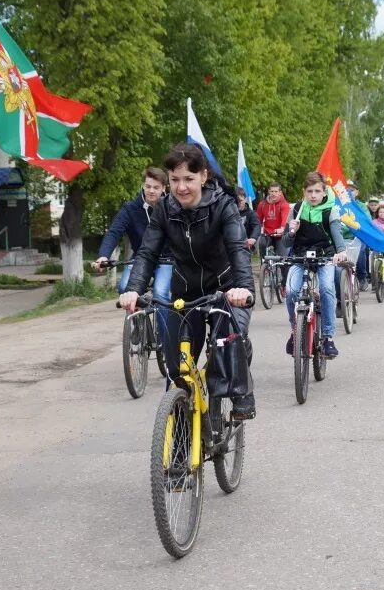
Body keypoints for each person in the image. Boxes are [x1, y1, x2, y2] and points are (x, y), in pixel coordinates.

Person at [119, 143, 257, 420]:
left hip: (226, 289)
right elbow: (147, 252)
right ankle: (180, 452)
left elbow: (237, 249)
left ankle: (241, 393)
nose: (181, 187)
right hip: (185, 291)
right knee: (177, 371)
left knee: (225, 343)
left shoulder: (223, 206)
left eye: (189, 179)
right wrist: (134, 289)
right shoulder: (164, 210)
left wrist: (243, 287)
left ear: (203, 177)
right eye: (175, 179)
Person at [281, 171, 348, 359]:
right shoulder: (296, 210)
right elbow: (286, 243)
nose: (313, 195)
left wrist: (341, 251)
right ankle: (295, 332)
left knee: (327, 288)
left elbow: (336, 234)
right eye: (309, 191)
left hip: (324, 257)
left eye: (317, 191)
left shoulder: (330, 210)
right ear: (304, 192)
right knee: (291, 291)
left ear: (324, 193)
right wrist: (292, 232)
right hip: (300, 257)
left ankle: (328, 337)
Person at [92, 167, 172, 297]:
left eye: (156, 187)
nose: (151, 191)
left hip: (166, 259)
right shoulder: (130, 209)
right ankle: (138, 315)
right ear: (143, 186)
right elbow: (114, 232)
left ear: (164, 188)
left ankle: (163, 317)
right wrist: (104, 256)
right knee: (125, 288)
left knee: (160, 292)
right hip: (140, 258)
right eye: (148, 186)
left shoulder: (172, 207)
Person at [255, 182, 290, 259]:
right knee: (262, 243)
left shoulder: (284, 205)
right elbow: (257, 221)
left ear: (280, 193)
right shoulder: (262, 204)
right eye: (272, 191)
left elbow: (285, 219)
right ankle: (264, 264)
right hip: (267, 234)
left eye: (276, 191)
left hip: (280, 235)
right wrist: (255, 232)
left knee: (283, 259)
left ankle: (284, 269)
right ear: (268, 192)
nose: (274, 194)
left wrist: (282, 228)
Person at [356, 196, 379, 290]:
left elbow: (366, 221)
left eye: (375, 205)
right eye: (371, 205)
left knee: (363, 250)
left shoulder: (362, 206)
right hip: (345, 235)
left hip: (363, 233)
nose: (373, 207)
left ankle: (363, 277)